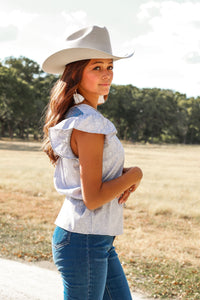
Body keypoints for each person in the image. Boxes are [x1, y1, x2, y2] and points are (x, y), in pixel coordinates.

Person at [42, 25, 143, 300]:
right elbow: (94, 198)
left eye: (109, 66)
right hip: (84, 240)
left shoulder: (83, 116)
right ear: (76, 73)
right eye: (96, 67)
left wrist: (122, 174)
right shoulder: (88, 122)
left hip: (96, 240)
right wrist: (134, 174)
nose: (107, 74)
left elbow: (94, 176)